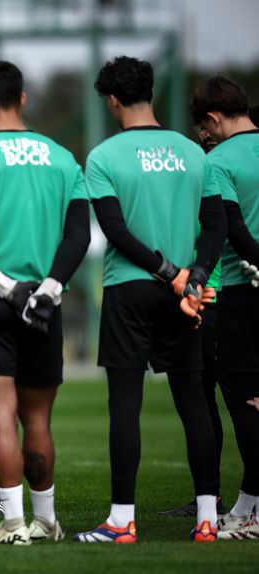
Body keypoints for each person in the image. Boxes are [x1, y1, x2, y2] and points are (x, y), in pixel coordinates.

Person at [74, 56, 226, 544]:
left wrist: (166, 273)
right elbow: (216, 225)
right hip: (187, 294)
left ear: (113, 100)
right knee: (194, 404)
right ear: (151, 93)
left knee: (125, 404)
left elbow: (115, 231)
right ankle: (208, 518)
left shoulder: (103, 157)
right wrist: (193, 278)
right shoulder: (194, 152)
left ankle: (122, 520)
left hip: (131, 289)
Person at [0, 61, 90, 545]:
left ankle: (11, 524)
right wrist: (48, 288)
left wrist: (7, 287)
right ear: (23, 99)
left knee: (1, 414)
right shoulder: (63, 157)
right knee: (38, 419)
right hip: (45, 305)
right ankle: (46, 520)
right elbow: (77, 236)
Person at [190, 75, 259, 540]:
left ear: (214, 117)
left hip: (241, 291)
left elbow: (231, 228)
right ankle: (247, 506)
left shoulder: (217, 161)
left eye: (204, 128)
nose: (203, 137)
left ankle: (250, 511)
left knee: (248, 401)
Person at [158, 126, 227, 519]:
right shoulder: (210, 168)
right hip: (211, 293)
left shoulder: (209, 168)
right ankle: (219, 501)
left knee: (204, 402)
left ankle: (217, 501)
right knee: (219, 403)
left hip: (205, 298)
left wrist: (197, 281)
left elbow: (216, 232)